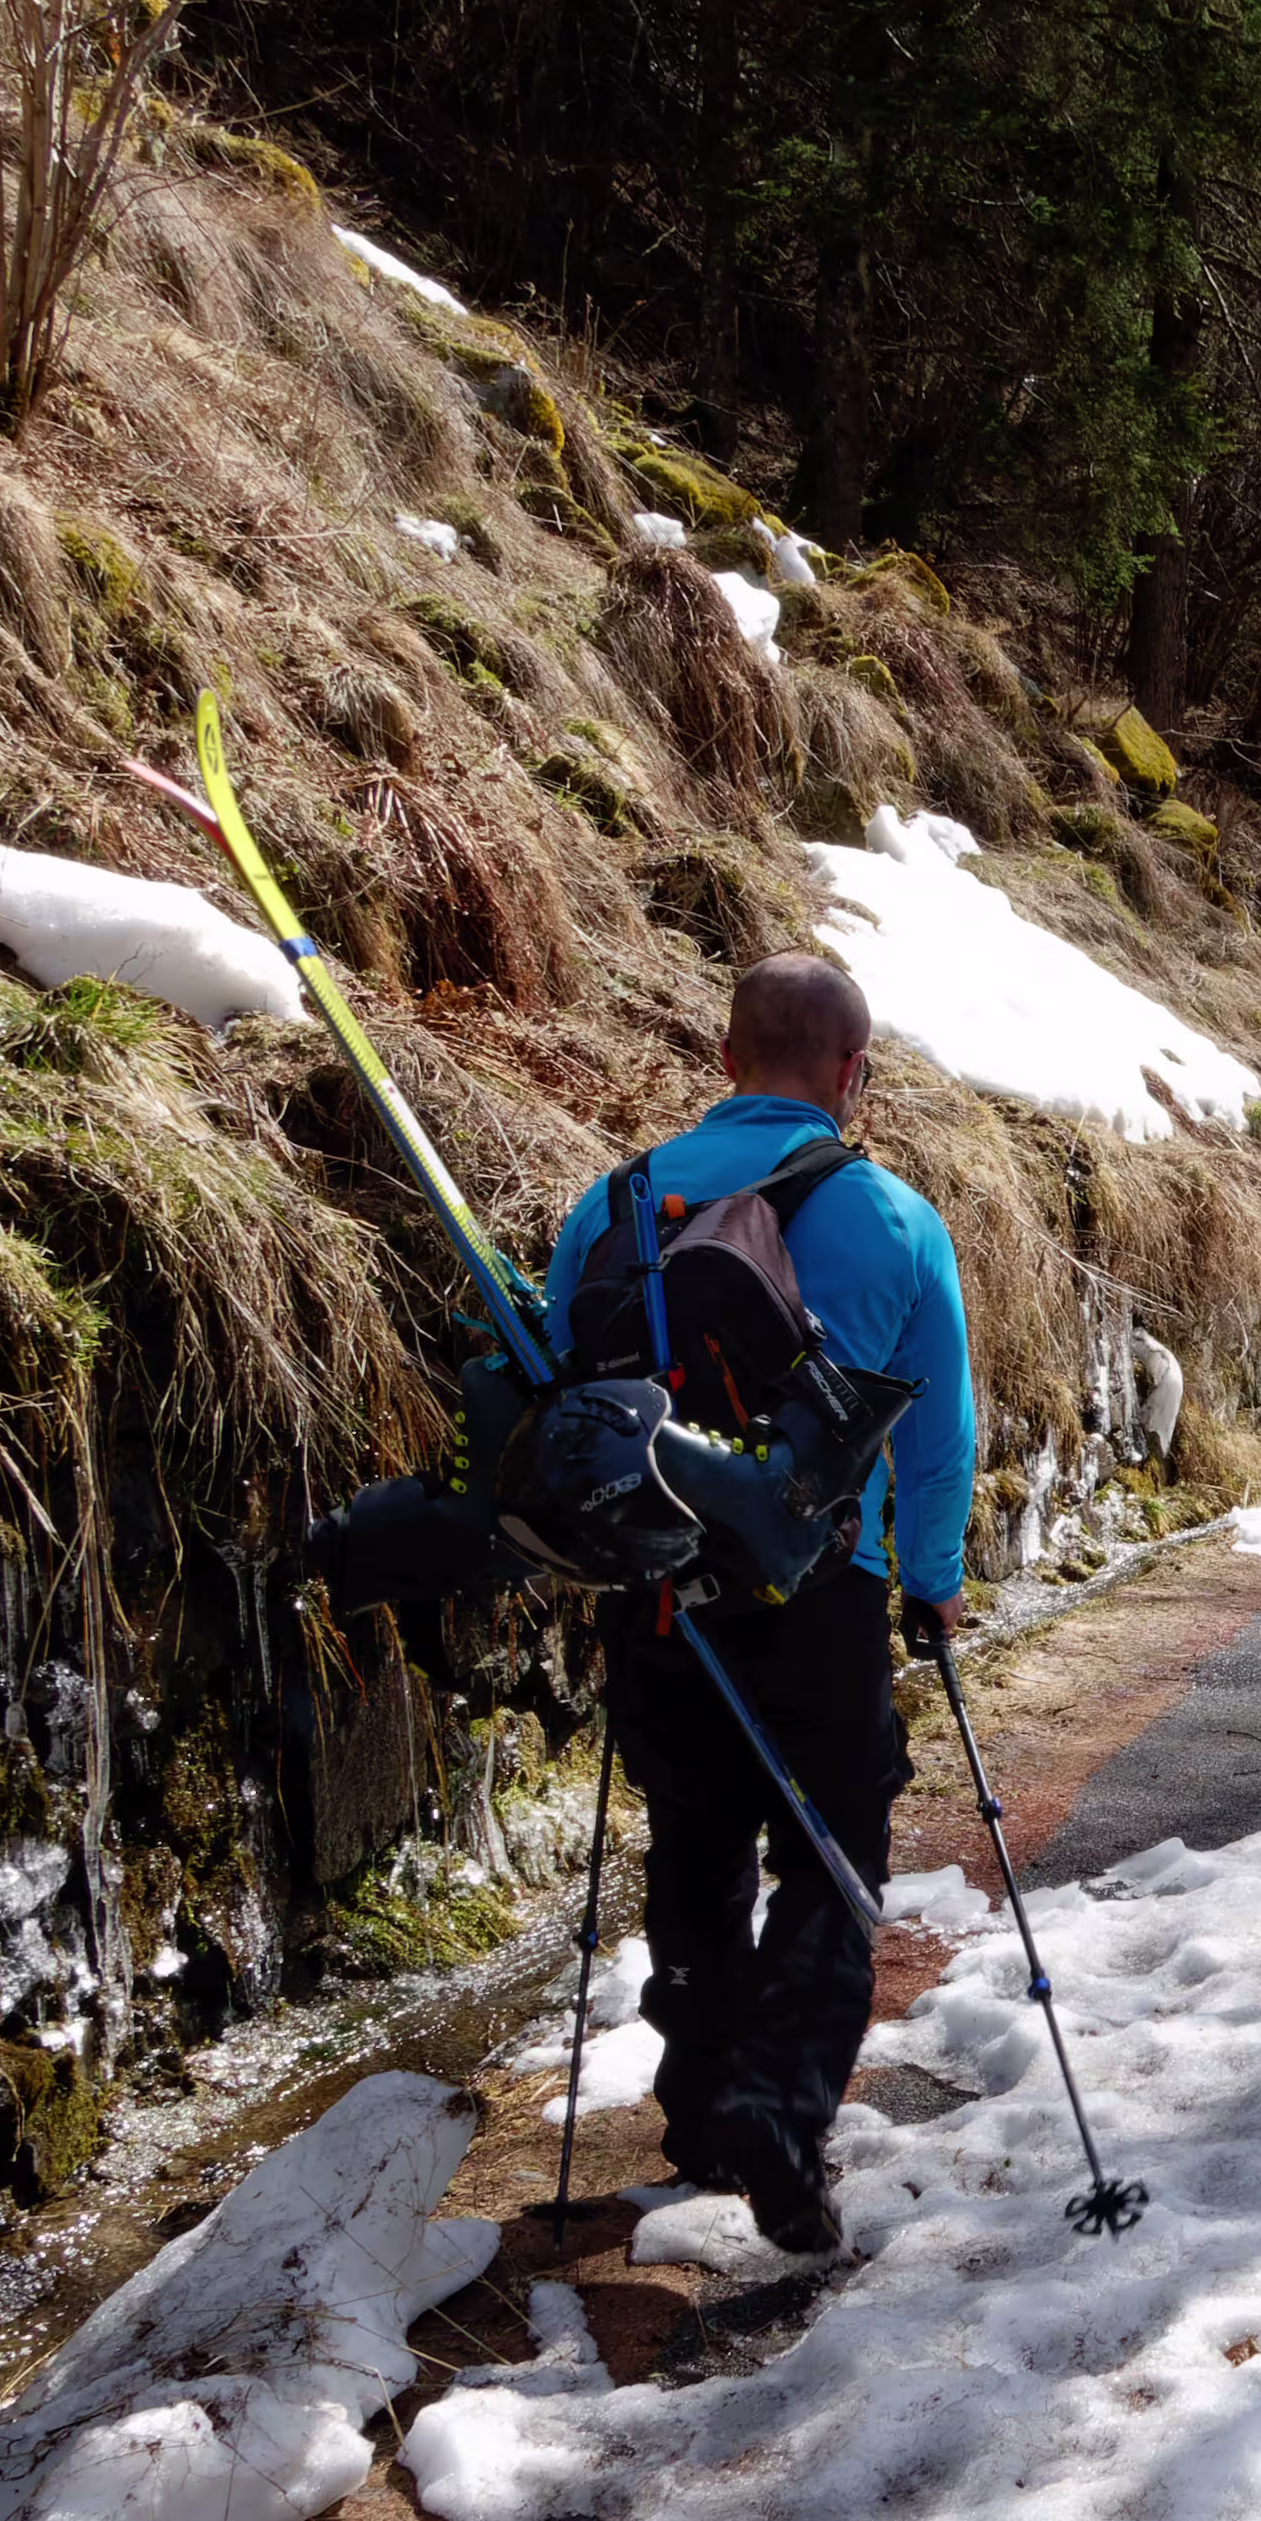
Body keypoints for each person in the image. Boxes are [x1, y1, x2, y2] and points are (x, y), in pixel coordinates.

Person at [538, 952, 976, 2256]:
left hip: (659, 1595)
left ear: (724, 1061)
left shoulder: (611, 1208)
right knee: (832, 1859)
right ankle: (782, 2108)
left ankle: (700, 2114)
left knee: (697, 1847)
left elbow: (575, 1401)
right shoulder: (894, 1219)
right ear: (852, 1078)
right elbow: (938, 1438)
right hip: (819, 1598)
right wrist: (932, 1584)